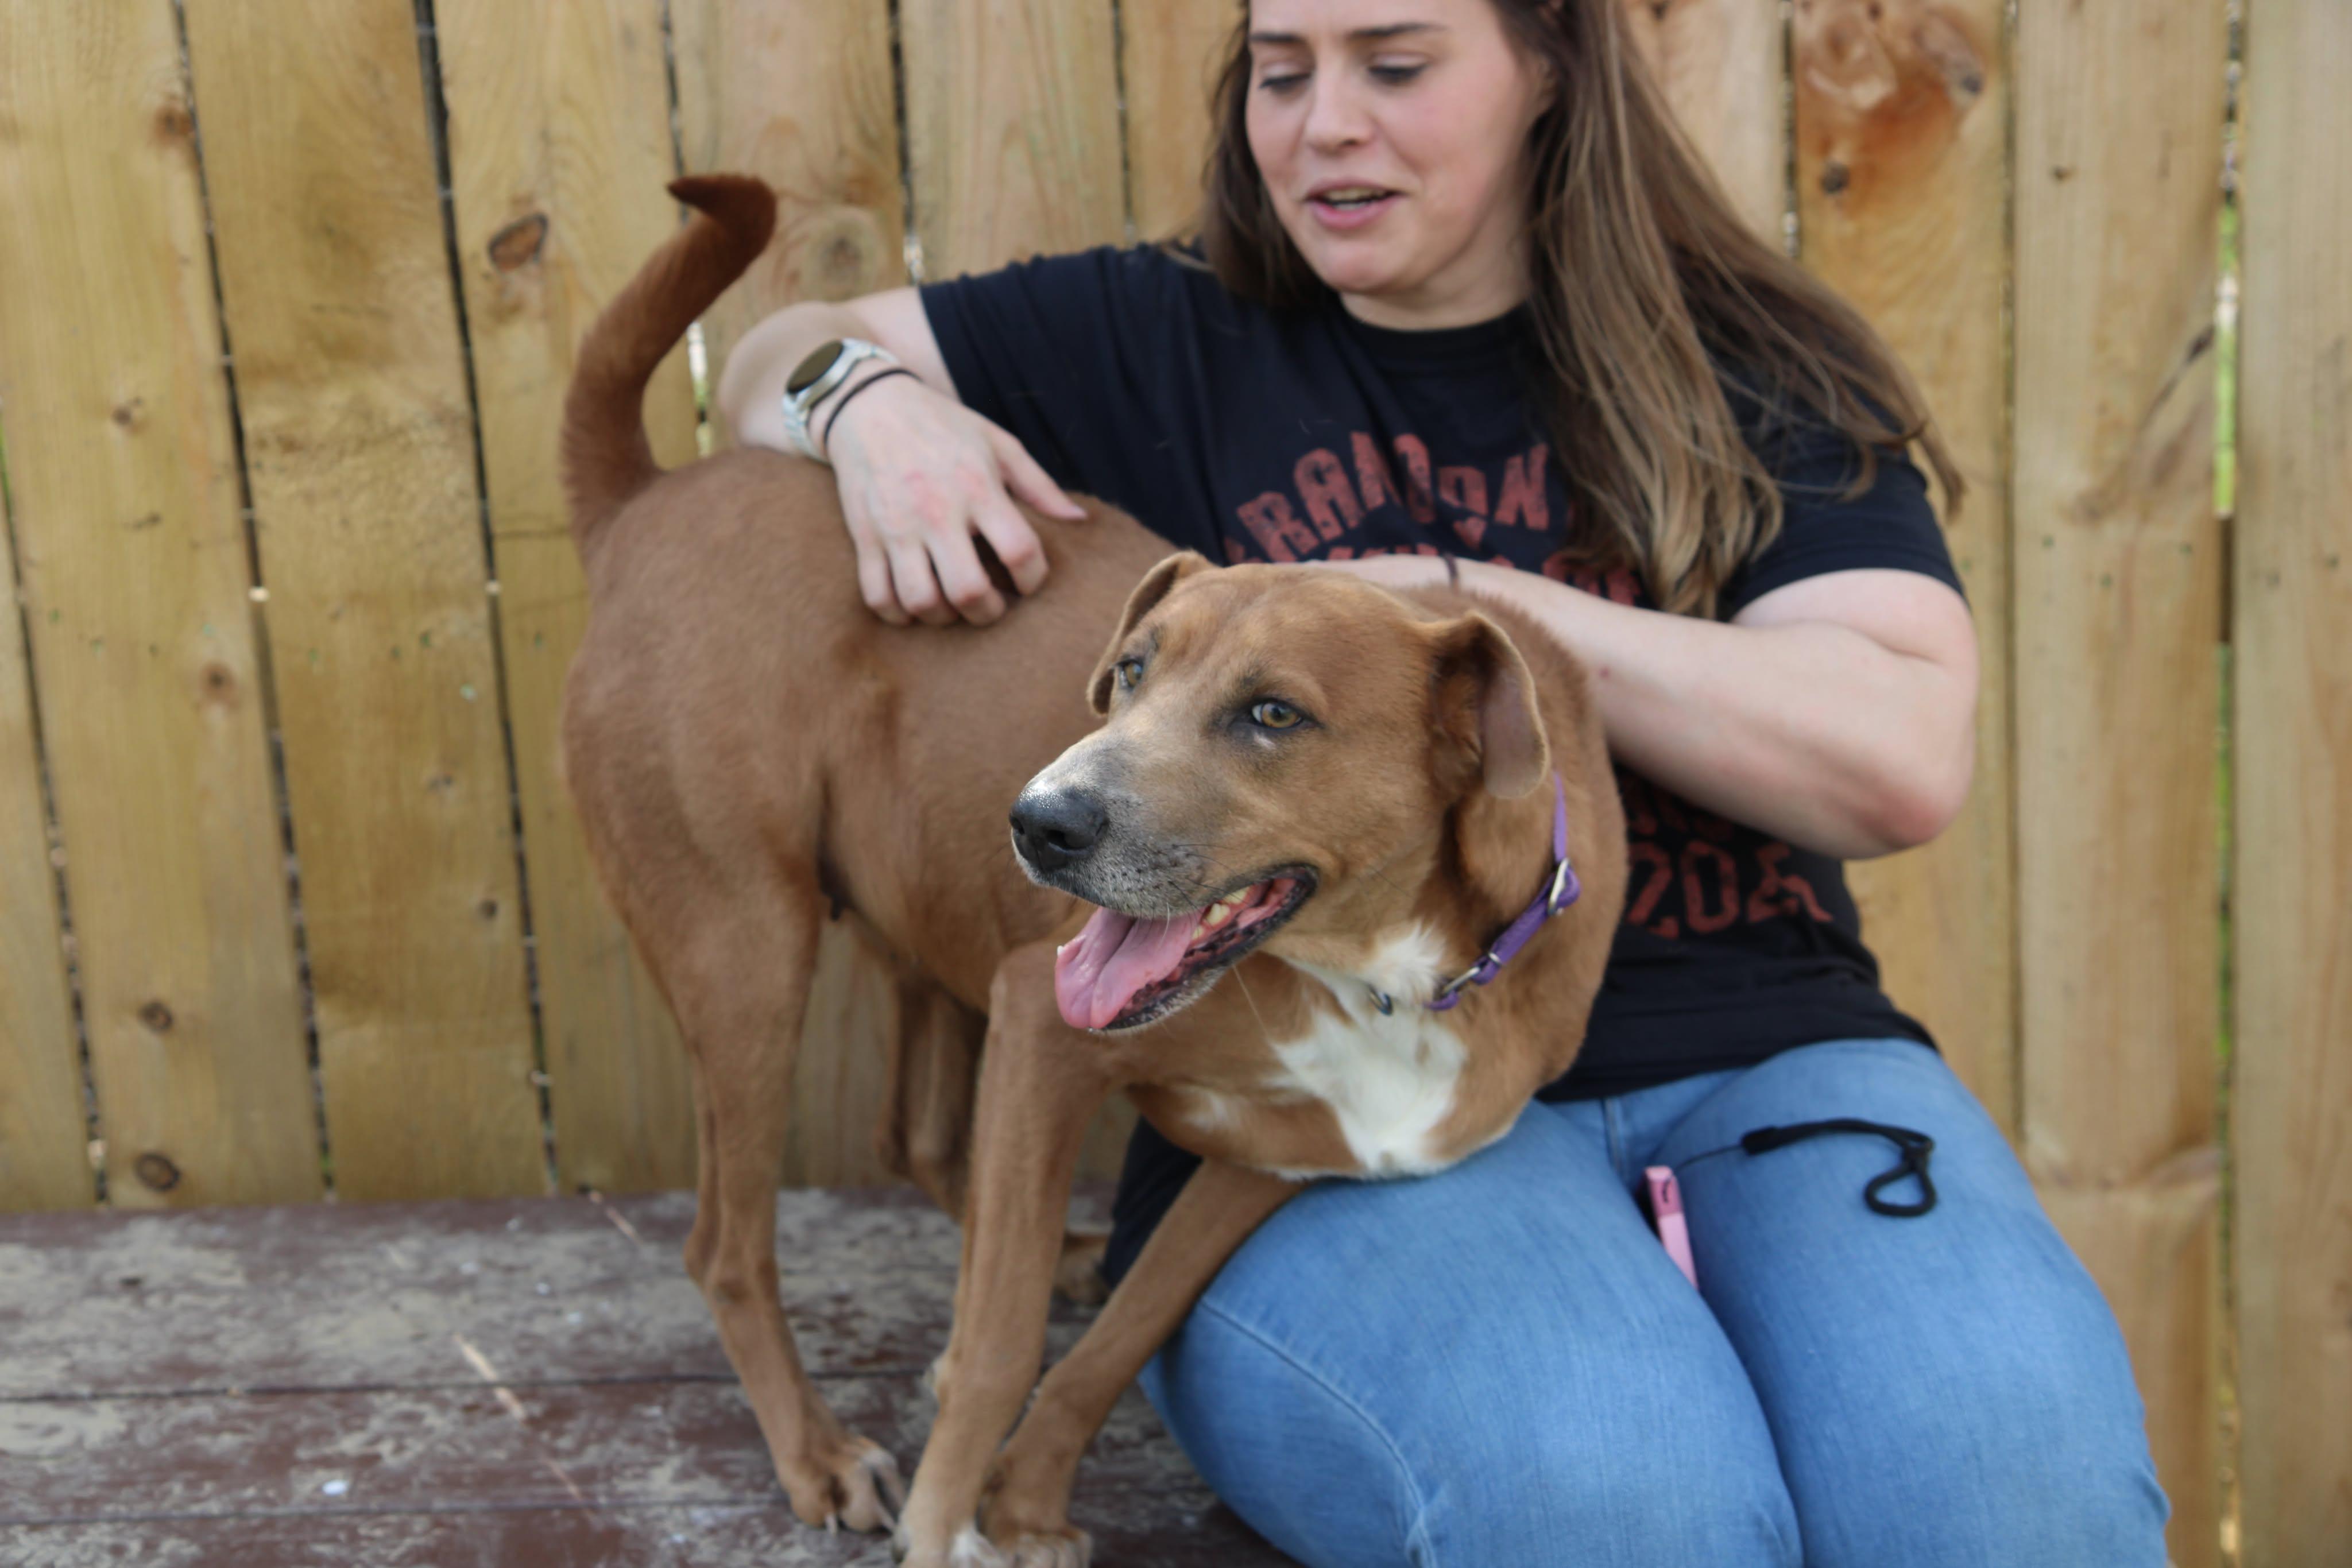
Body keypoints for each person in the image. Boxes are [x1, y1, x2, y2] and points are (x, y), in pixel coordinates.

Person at [715, 2, 2171, 1562]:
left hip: (1772, 1066)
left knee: (2023, 1498)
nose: (1325, 121)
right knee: (1619, 1499)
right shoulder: (1160, 332)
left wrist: (1465, 616)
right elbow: (765, 360)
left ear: (1550, 67)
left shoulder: (1742, 360)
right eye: (1283, 73)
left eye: (1393, 65)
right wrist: (859, 409)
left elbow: (1897, 756)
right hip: (1316, 1093)